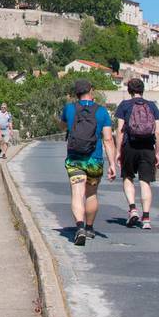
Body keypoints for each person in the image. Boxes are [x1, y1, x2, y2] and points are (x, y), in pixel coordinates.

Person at [58, 79, 114, 246]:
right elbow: (108, 139)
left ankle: (80, 227)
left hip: (75, 158)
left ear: (76, 93)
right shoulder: (102, 112)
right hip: (94, 160)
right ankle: (89, 228)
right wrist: (112, 163)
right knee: (91, 194)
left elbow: (62, 126)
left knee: (77, 193)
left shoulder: (69, 109)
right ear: (92, 91)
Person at [113, 77, 159, 230]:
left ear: (129, 90)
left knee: (128, 177)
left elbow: (120, 131)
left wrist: (118, 151)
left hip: (130, 147)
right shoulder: (152, 106)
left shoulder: (124, 105)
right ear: (143, 90)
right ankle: (146, 218)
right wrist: (157, 152)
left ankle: (133, 209)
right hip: (147, 147)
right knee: (145, 182)